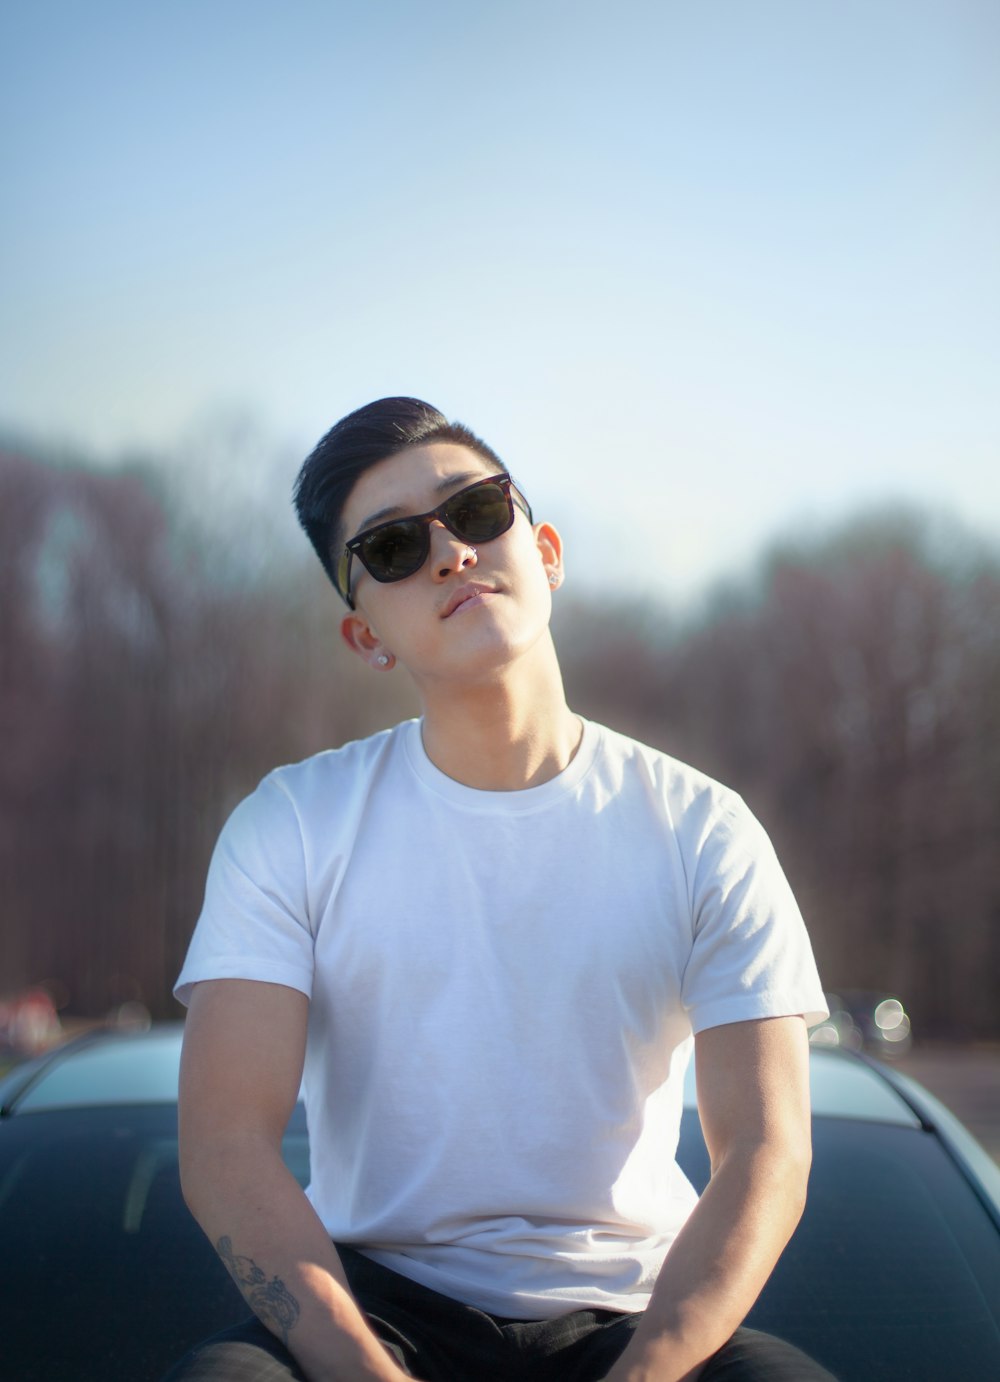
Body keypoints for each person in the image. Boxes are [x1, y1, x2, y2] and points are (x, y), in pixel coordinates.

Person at [167, 397, 835, 1382]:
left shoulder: (703, 829)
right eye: (393, 546)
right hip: (370, 1314)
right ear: (366, 638)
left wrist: (646, 1373)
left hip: (636, 1320)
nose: (448, 552)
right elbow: (225, 1143)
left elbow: (765, 1149)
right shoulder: (292, 825)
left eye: (476, 511)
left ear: (546, 548)